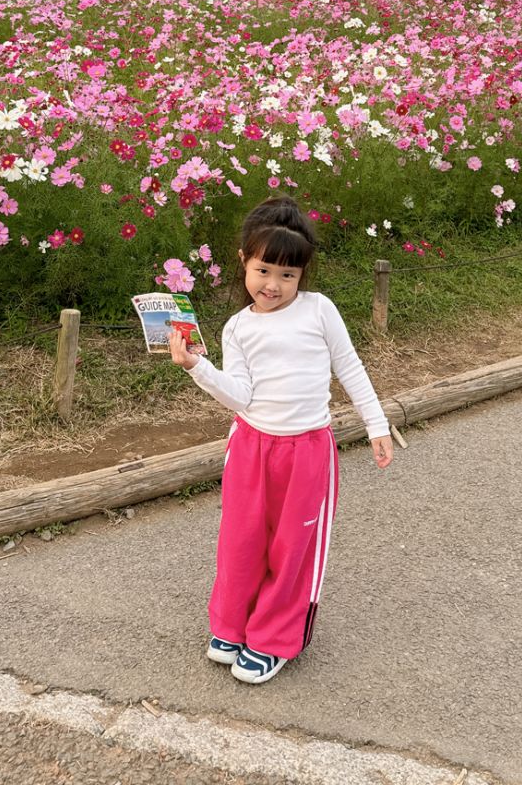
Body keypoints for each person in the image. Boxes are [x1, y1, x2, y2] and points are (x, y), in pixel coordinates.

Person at [168, 195, 393, 685]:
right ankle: (231, 625)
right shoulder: (237, 327)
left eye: (288, 275)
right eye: (264, 270)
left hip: (307, 451)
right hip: (251, 446)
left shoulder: (319, 310)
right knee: (240, 541)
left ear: (302, 275)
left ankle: (273, 638)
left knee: (292, 548)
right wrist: (197, 368)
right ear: (244, 262)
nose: (274, 285)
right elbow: (241, 395)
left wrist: (376, 424)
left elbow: (349, 367)